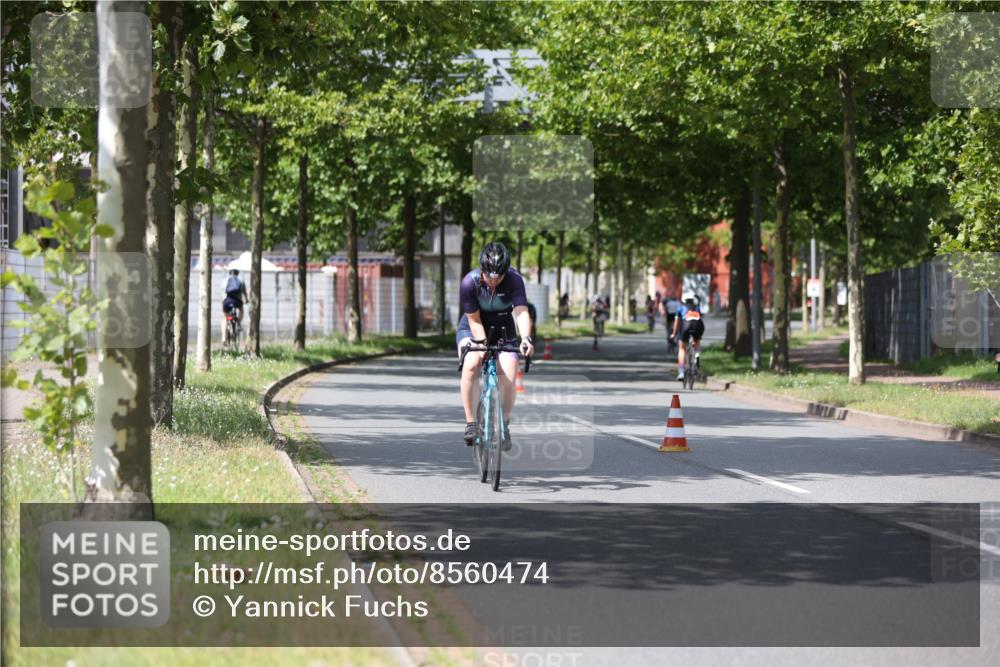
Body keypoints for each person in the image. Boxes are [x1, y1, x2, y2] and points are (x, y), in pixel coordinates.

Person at [457, 242, 534, 449]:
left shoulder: (515, 280)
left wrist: (526, 338)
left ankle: (504, 423)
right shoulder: (469, 283)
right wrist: (481, 346)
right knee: (472, 363)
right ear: (481, 269)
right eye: (489, 275)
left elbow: (520, 311)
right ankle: (471, 422)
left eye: (498, 276)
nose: (493, 280)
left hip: (503, 328)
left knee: (509, 373)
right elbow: (473, 320)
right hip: (473, 326)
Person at [672, 291, 705, 381]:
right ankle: (697, 355)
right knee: (697, 340)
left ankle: (681, 372)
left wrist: (674, 333)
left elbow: (677, 323)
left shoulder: (680, 308)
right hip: (698, 326)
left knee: (682, 348)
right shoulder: (697, 308)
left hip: (686, 326)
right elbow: (700, 319)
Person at [221, 269, 249, 343]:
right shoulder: (240, 280)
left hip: (227, 301)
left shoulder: (225, 280)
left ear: (230, 273)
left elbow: (222, 292)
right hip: (237, 301)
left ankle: (224, 337)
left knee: (225, 318)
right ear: (237, 274)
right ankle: (239, 322)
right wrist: (246, 300)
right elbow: (245, 293)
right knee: (241, 310)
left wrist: (223, 301)